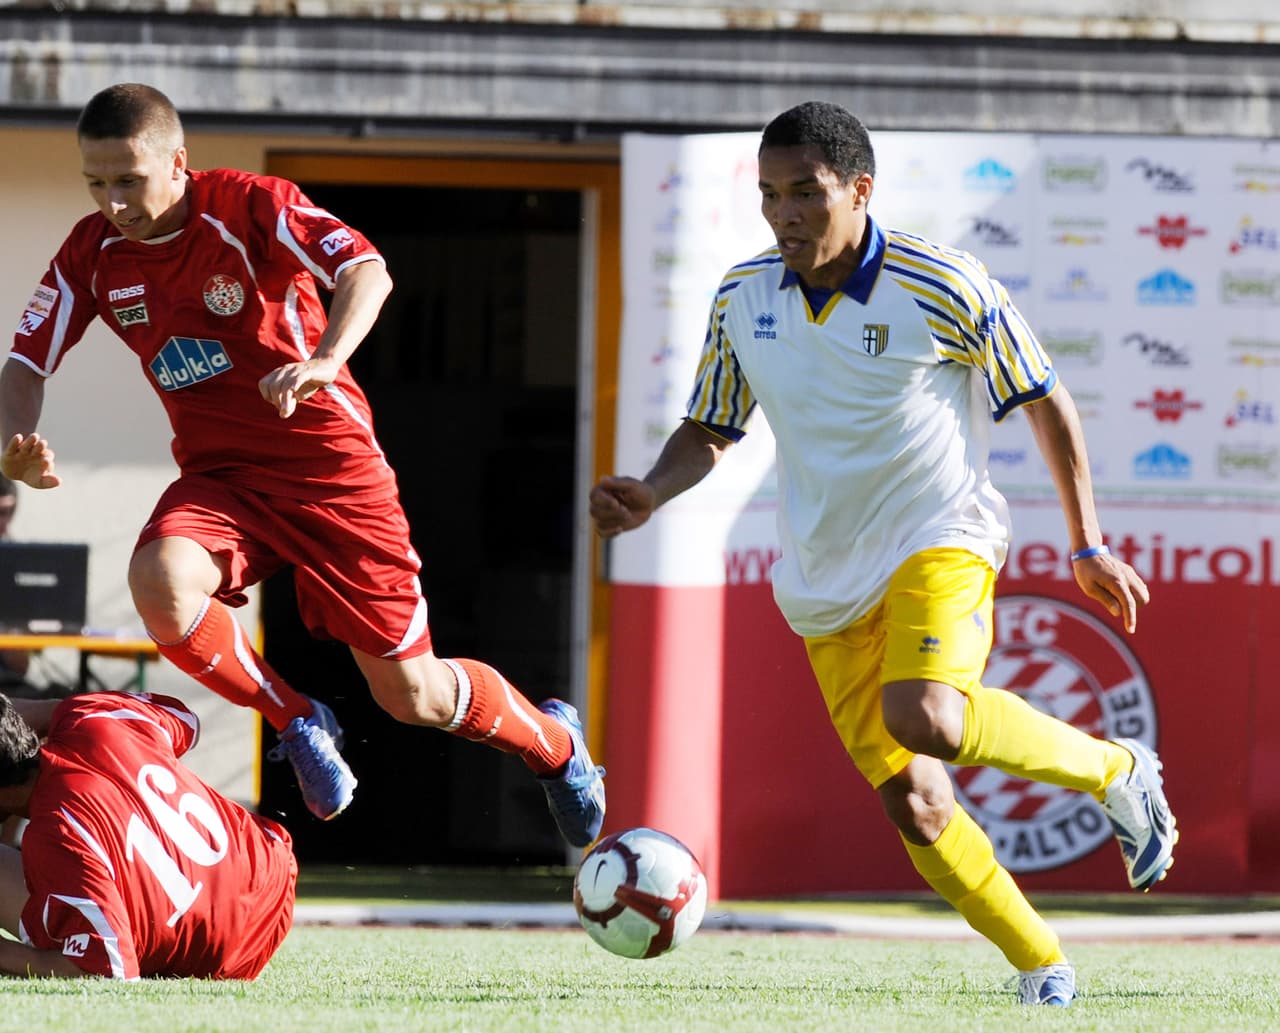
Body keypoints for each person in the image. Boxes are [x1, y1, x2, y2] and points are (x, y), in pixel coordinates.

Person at [589, 101, 1177, 1006]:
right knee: (918, 800)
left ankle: (1118, 768)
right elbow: (712, 424)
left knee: (929, 716)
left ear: (860, 190)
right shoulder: (744, 296)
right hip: (826, 579)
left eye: (806, 193)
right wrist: (652, 490)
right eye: (769, 194)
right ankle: (1041, 965)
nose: (784, 213)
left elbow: (1044, 398)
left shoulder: (942, 282)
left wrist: (1087, 541)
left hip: (940, 534)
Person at [0, 83, 605, 847]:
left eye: (129, 179)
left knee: (409, 694)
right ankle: (296, 715)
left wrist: (325, 360)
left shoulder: (251, 206)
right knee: (158, 580)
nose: (113, 201)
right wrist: (14, 443)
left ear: (178, 163)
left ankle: (554, 747)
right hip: (225, 480)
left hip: (332, 473)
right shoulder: (93, 254)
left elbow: (366, 268)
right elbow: (24, 361)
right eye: (96, 182)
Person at [0, 689, 296, 979]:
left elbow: (106, 967)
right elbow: (186, 721)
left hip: (224, 953)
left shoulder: (54, 832)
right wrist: (54, 711)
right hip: (272, 876)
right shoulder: (92, 715)